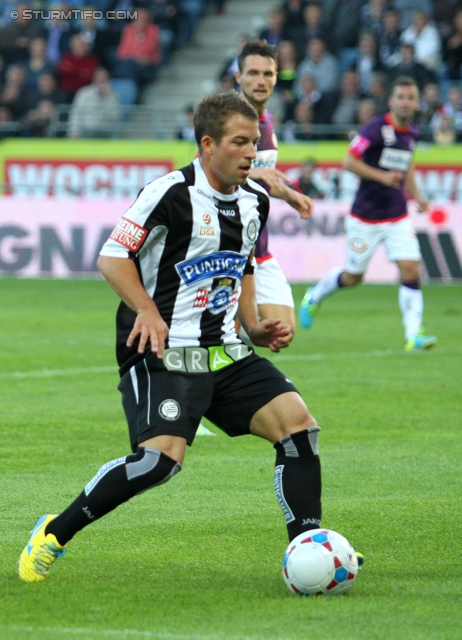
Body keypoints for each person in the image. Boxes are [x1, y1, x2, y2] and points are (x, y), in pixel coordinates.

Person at [18, 91, 324, 583]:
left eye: (253, 143)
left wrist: (252, 325)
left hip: (224, 348)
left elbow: (241, 264)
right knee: (159, 462)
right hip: (161, 349)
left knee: (298, 429)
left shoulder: (255, 202)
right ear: (207, 144)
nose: (251, 153)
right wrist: (147, 309)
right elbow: (112, 257)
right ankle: (54, 531)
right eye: (239, 143)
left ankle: (307, 551)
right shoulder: (169, 192)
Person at [299, 76, 437, 352]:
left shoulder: (412, 134)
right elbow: (348, 161)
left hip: (397, 215)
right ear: (392, 101)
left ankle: (413, 336)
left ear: (417, 102)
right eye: (401, 97)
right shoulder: (375, 129)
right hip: (365, 217)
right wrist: (381, 176)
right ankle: (315, 294)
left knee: (411, 268)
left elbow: (407, 166)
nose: (406, 102)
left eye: (411, 98)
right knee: (353, 276)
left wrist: (417, 195)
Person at [235, 39, 314, 337]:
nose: (261, 80)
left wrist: (289, 193)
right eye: (253, 73)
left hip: (258, 245)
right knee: (224, 337)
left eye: (267, 74)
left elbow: (261, 178)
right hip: (227, 246)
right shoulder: (228, 119)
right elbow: (202, 166)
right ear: (238, 77)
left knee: (283, 331)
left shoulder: (266, 121)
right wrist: (253, 170)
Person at [67, 67, 121, 138]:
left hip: (106, 132)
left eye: (104, 78)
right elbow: (76, 113)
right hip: (86, 131)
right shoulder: (84, 93)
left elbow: (116, 116)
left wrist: (108, 96)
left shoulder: (113, 95)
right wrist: (74, 130)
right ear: (94, 79)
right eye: (99, 77)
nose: (101, 80)